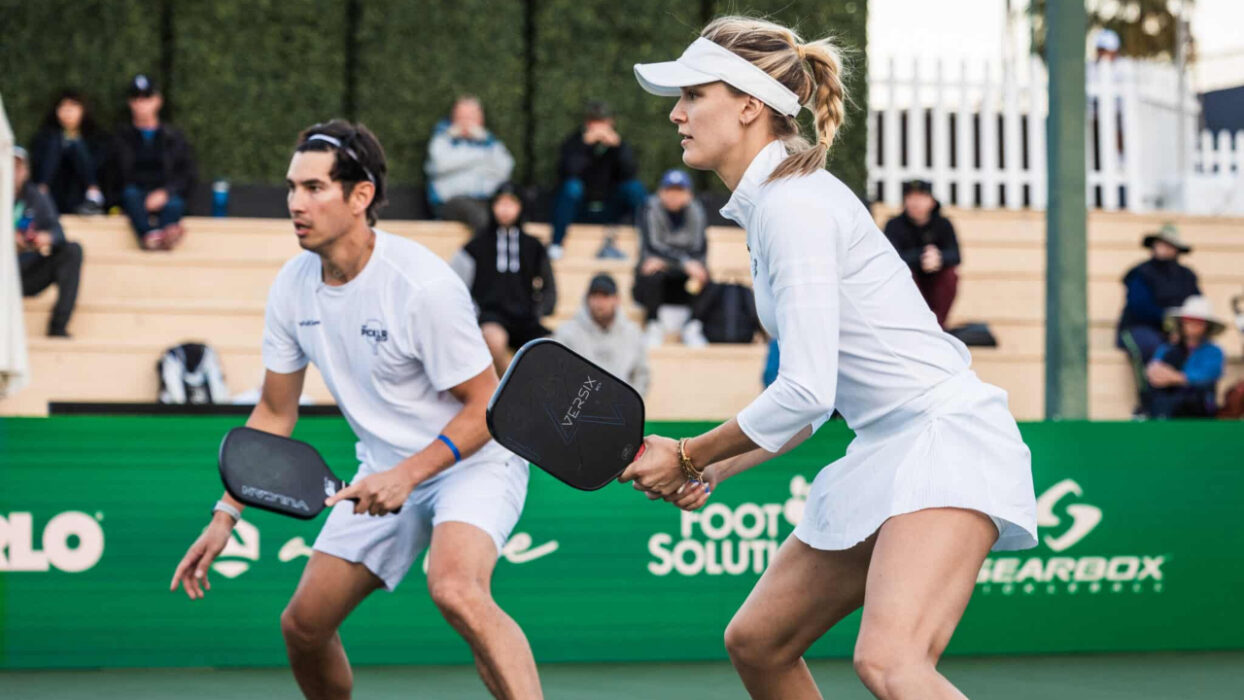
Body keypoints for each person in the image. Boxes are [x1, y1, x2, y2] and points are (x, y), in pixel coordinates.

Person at [625, 17, 1037, 699]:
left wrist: (692, 452)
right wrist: (716, 467)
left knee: (892, 664)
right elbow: (816, 403)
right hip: (886, 443)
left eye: (694, 94)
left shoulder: (795, 208)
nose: (677, 113)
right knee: (758, 643)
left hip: (946, 438)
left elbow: (807, 393)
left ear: (750, 106)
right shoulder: (772, 209)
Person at [169, 121, 542, 699]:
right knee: (303, 626)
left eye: (315, 188)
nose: (296, 203)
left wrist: (409, 474)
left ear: (360, 196)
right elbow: (273, 413)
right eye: (292, 187)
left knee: (456, 588)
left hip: (474, 461)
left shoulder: (420, 286)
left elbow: (488, 408)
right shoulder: (291, 288)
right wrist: (226, 515)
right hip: (382, 471)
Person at [451, 182, 557, 376]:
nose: (505, 210)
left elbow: (549, 286)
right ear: (492, 206)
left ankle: (530, 393)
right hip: (491, 316)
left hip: (526, 317)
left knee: (553, 347)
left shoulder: (533, 246)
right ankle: (507, 390)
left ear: (520, 207)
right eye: (501, 203)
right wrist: (473, 313)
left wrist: (541, 309)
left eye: (511, 204)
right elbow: (456, 286)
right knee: (493, 340)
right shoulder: (476, 246)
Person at [549, 100, 647, 260]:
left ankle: (646, 240)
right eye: (595, 122)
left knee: (635, 188)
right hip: (581, 208)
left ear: (611, 123)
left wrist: (618, 147)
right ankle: (556, 244)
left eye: (603, 121)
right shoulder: (573, 142)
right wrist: (585, 146)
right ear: (587, 123)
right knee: (572, 188)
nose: (599, 127)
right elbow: (567, 172)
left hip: (610, 207)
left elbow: (630, 173)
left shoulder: (620, 145)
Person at [111, 74, 197, 250]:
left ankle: (158, 235)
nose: (141, 104)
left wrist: (165, 193)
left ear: (158, 101)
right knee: (131, 195)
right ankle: (153, 234)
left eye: (147, 98)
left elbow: (187, 174)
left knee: (175, 204)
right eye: (136, 98)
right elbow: (113, 175)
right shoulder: (121, 138)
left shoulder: (173, 137)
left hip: (165, 195)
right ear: (130, 103)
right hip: (134, 195)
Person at [633, 169, 710, 347]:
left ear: (689, 194)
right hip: (658, 274)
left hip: (681, 277)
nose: (674, 196)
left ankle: (692, 325)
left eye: (679, 190)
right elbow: (652, 247)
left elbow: (699, 250)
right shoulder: (649, 208)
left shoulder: (697, 212)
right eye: (670, 190)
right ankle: (653, 323)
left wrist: (677, 263)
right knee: (650, 271)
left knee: (704, 275)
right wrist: (684, 262)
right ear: (661, 192)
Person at [13, 146, 83, 338]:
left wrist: (45, 238)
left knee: (72, 251)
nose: (12, 172)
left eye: (17, 167)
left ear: (25, 171)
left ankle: (58, 325)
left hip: (25, 271)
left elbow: (58, 233)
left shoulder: (36, 197)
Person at [425, 95, 515, 232]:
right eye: (462, 117)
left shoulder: (489, 141)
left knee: (509, 210)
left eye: (471, 117)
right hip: (452, 202)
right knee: (480, 216)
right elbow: (441, 165)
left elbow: (505, 169)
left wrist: (463, 160)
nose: (466, 122)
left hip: (487, 198)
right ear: (453, 118)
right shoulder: (443, 139)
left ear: (480, 120)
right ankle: (486, 252)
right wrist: (481, 159)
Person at [1117, 223, 1200, 365]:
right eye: (1161, 243)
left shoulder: (1186, 276)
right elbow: (1140, 307)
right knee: (1158, 350)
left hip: (1179, 330)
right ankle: (1148, 386)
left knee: (1201, 350)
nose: (1164, 248)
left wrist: (1181, 330)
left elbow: (1196, 304)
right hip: (1140, 328)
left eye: (1169, 245)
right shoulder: (1141, 272)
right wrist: (1170, 324)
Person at [553, 273, 649, 396]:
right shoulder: (567, 333)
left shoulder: (633, 333)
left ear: (617, 299)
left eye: (605, 296)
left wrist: (629, 404)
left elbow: (641, 375)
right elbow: (557, 375)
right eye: (595, 296)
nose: (599, 302)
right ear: (587, 299)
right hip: (578, 408)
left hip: (621, 409)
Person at [882, 179, 961, 328]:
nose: (915, 203)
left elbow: (956, 255)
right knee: (905, 274)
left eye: (921, 198)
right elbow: (890, 258)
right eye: (911, 197)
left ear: (931, 201)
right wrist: (922, 257)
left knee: (950, 274)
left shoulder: (943, 224)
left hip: (934, 285)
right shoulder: (894, 225)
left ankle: (938, 326)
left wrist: (939, 258)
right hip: (908, 286)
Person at [1141, 295, 1226, 419]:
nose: (1192, 324)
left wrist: (1176, 378)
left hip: (1198, 406)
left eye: (1199, 321)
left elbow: (1206, 376)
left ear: (1206, 326)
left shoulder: (1214, 352)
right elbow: (1154, 371)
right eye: (1188, 319)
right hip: (1168, 400)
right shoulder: (1168, 349)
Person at [30, 90, 107, 215]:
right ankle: (40, 197)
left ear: (83, 110)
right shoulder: (45, 137)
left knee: (76, 144)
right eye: (63, 106)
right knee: (56, 142)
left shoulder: (95, 138)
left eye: (73, 106)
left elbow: (99, 167)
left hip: (80, 194)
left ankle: (94, 195)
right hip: (55, 194)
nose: (67, 111)